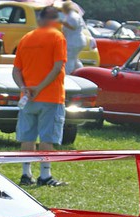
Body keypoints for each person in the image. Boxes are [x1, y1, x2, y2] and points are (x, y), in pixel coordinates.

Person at [12, 5, 67, 188]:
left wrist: (24, 88)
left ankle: (26, 173)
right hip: (50, 97)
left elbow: (16, 70)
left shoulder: (26, 38)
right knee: (47, 138)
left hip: (27, 97)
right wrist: (40, 87)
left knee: (27, 137)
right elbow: (57, 67)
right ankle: (45, 175)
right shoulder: (57, 37)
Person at [61, 1, 85, 74]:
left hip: (73, 41)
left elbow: (73, 26)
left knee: (69, 60)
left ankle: (67, 75)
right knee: (75, 59)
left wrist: (62, 22)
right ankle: (81, 73)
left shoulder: (72, 16)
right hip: (78, 40)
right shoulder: (74, 15)